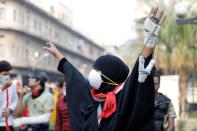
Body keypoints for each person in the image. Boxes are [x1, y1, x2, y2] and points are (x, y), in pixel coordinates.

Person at [43, 7, 166, 131]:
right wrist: (58, 55)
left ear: (111, 77)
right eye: (94, 68)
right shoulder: (91, 95)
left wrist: (149, 40)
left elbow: (137, 80)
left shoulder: (123, 99)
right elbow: (74, 75)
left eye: (98, 71)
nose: (93, 73)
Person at [0, 60, 18, 131]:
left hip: (9, 123)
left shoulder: (12, 85)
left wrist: (10, 109)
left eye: (8, 74)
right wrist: (2, 88)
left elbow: (15, 100)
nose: (7, 77)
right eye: (4, 74)